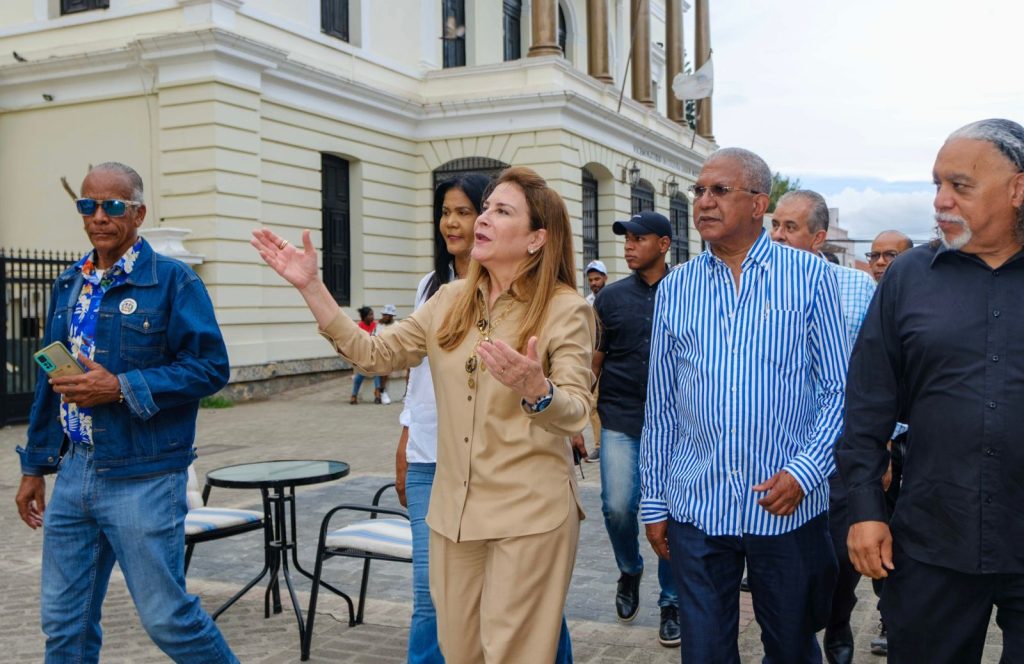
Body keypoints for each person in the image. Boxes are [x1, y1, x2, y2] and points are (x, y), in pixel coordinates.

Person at [253, 166, 594, 663]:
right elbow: (373, 355)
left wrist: (537, 390)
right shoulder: (449, 299)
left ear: (537, 238)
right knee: (460, 653)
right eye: (488, 207)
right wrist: (312, 288)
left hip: (530, 514)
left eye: (502, 211)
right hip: (453, 513)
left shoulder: (565, 309)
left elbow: (577, 411)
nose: (483, 219)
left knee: (514, 654)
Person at [13, 162, 236, 663]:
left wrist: (120, 387)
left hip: (143, 474)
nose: (98, 217)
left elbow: (210, 368)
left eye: (112, 206)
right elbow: (52, 383)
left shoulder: (173, 282)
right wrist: (35, 466)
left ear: (137, 213)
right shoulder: (69, 282)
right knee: (64, 624)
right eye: (87, 205)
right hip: (74, 472)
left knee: (168, 618)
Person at [640, 148, 848, 663]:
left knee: (792, 647)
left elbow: (839, 390)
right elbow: (662, 404)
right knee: (705, 651)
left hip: (785, 507)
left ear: (759, 204)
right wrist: (654, 500)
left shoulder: (811, 279)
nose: (704, 202)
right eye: (699, 191)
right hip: (698, 506)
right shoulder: (676, 288)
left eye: (719, 191)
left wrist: (805, 471)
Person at [837, 118, 1024, 664]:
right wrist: (866, 509)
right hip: (934, 539)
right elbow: (868, 403)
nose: (941, 200)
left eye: (960, 185)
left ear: (1017, 188)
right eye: (936, 184)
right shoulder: (908, 277)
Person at [771, 189, 877, 664]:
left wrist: (886, 447)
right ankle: (796, 636)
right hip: (780, 450)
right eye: (775, 225)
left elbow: (879, 371)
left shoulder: (857, 289)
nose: (777, 236)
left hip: (840, 447)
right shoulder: (753, 288)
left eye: (790, 228)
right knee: (795, 562)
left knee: (837, 552)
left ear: (817, 237)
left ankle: (837, 619)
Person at [591, 211, 680, 646]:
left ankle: (672, 600)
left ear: (663, 244)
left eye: (638, 238)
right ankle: (629, 569)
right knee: (618, 506)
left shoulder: (687, 292)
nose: (628, 245)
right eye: (626, 238)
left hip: (680, 426)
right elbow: (596, 361)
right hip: (621, 418)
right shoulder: (608, 299)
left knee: (675, 513)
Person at [580, 258, 607, 462]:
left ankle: (603, 445)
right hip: (592, 360)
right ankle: (599, 445)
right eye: (591, 279)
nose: (594, 283)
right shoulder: (587, 302)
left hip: (609, 361)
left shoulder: (612, 298)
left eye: (597, 278)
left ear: (605, 278)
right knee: (593, 404)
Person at [350, 306, 383, 404]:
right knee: (360, 374)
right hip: (363, 356)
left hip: (375, 355)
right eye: (370, 315)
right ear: (364, 317)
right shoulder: (359, 327)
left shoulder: (376, 325)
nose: (373, 316)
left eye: (372, 314)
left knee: (377, 371)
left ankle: (377, 393)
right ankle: (354, 395)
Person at [378, 303, 398, 404]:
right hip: (379, 350)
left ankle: (382, 391)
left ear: (391, 316)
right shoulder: (379, 325)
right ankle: (381, 391)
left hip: (393, 352)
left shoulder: (397, 326)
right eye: (383, 314)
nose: (383, 317)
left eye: (386, 315)